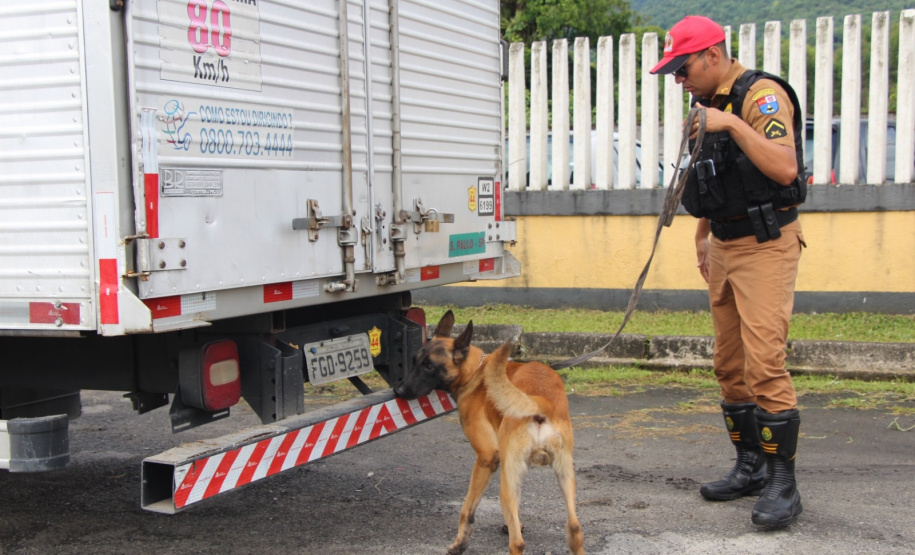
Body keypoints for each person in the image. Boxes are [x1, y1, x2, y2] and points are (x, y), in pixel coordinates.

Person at [650, 16, 806, 528]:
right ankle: (751, 465)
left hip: (765, 245)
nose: (678, 79)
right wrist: (702, 236)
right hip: (723, 242)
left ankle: (784, 483)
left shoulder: (759, 99)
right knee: (729, 365)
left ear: (713, 55)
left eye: (683, 67)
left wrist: (733, 125)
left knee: (764, 364)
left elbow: (785, 169)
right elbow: (710, 178)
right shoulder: (708, 105)